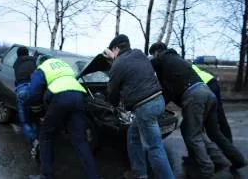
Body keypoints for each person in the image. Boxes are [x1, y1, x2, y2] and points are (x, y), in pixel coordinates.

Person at [149, 42, 247, 178]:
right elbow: (170, 92)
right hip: (207, 93)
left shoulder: (162, 58)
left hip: (195, 96)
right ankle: (235, 159)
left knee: (193, 135)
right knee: (213, 132)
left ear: (157, 52)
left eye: (153, 54)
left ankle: (207, 169)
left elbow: (148, 68)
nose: (153, 57)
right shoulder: (176, 60)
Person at [103, 34, 175, 179]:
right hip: (159, 101)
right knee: (133, 135)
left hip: (145, 107)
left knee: (154, 147)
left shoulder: (118, 63)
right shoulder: (139, 54)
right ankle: (139, 172)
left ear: (116, 48)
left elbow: (112, 92)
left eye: (112, 50)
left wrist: (113, 105)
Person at [28, 55, 98, 179]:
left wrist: (40, 114)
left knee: (46, 136)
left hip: (59, 97)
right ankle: (93, 176)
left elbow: (33, 94)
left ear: (40, 63)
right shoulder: (64, 66)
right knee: (80, 140)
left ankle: (46, 175)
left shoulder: (42, 68)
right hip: (78, 96)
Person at [191, 64, 233, 142]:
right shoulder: (188, 64)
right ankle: (228, 140)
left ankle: (201, 146)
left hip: (205, 85)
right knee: (219, 112)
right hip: (212, 81)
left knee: (201, 115)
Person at [13, 46, 39, 159]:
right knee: (35, 118)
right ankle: (37, 143)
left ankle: (35, 142)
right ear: (28, 53)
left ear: (18, 55)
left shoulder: (16, 63)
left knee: (24, 122)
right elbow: (33, 61)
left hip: (22, 90)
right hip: (35, 90)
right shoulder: (34, 60)